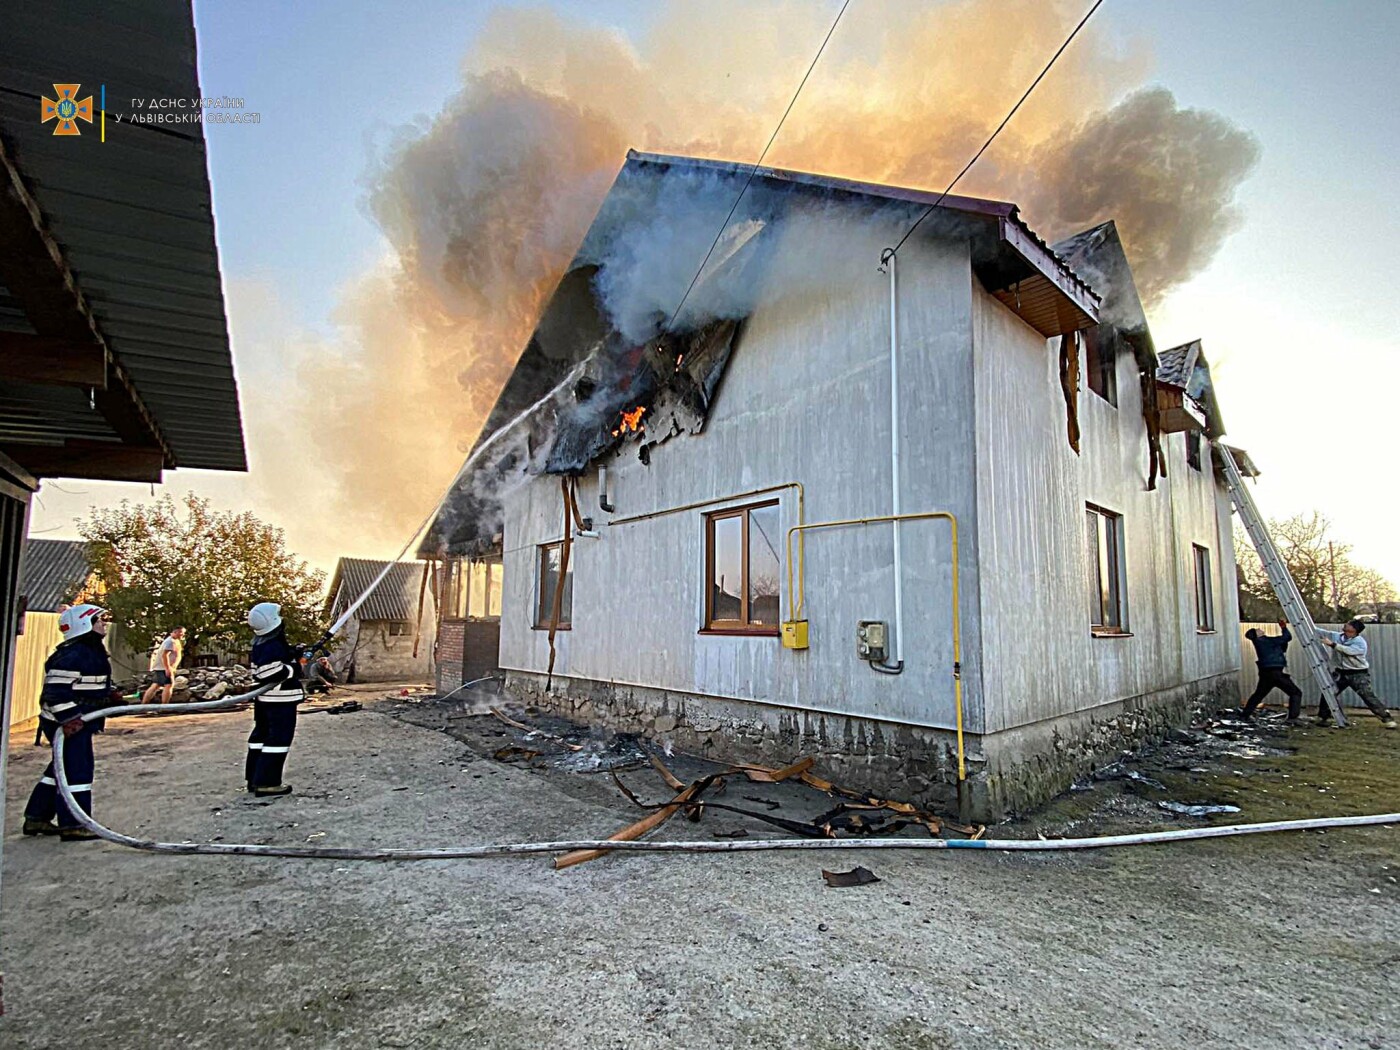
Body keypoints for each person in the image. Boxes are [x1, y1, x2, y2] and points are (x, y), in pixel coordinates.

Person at [22, 604, 121, 841]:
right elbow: (55, 692)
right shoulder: (73, 654)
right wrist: (69, 719)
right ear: (84, 624)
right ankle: (73, 824)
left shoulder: (90, 650)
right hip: (65, 721)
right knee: (77, 769)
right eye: (98, 620)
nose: (103, 624)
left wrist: (110, 696)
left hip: (77, 719)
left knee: (58, 769)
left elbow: (87, 684)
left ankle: (37, 816)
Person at [245, 602, 305, 796]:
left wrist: (292, 653)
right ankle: (267, 782)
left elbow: (272, 662)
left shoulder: (261, 643)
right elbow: (269, 672)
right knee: (278, 740)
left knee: (260, 738)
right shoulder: (272, 645)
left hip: (266, 700)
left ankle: (254, 778)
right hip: (279, 700)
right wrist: (294, 668)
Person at [1316, 619, 1397, 728]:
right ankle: (1323, 717)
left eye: (1348, 625)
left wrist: (1333, 645)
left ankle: (1386, 718)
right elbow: (1322, 632)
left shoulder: (1359, 642)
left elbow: (1350, 651)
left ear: (1354, 630)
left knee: (1367, 695)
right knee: (1328, 691)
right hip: (1341, 672)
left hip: (1357, 673)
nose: (1345, 625)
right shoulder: (1338, 636)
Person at [1240, 619, 1304, 724]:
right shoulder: (1265, 641)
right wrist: (1283, 627)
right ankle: (1292, 718)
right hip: (1275, 673)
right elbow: (1286, 638)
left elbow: (1281, 646)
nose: (1259, 629)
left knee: (1258, 695)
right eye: (1257, 630)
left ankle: (1245, 715)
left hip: (1266, 673)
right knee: (1296, 693)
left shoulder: (1262, 643)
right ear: (1257, 635)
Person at [141, 626, 186, 705]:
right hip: (163, 667)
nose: (182, 634)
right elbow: (164, 655)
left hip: (164, 667)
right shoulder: (170, 641)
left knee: (156, 685)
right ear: (175, 632)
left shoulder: (175, 641)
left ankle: (144, 705)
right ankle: (164, 706)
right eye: (181, 632)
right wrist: (168, 668)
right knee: (168, 685)